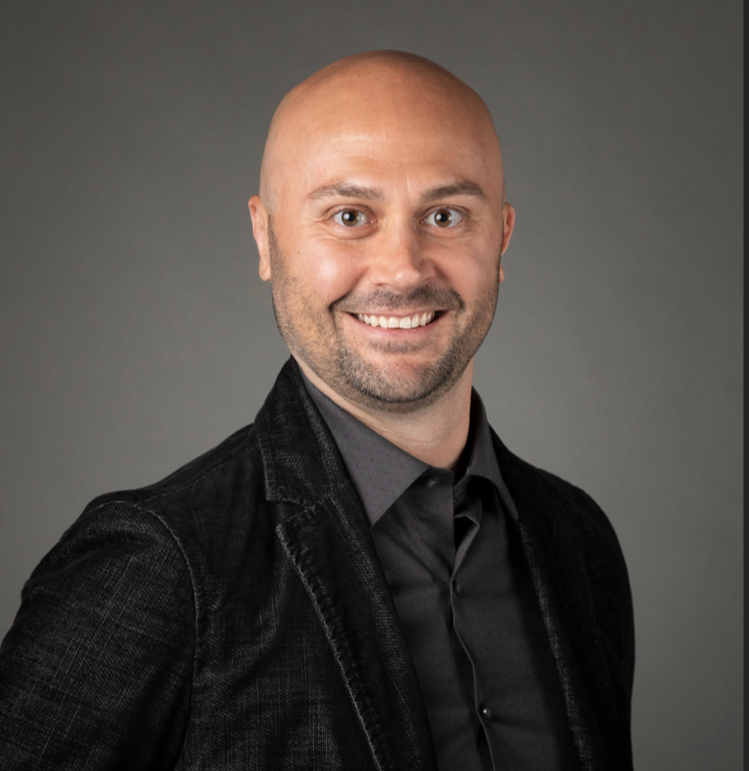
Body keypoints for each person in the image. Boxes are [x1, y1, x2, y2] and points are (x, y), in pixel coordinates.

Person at [0, 51, 634, 771]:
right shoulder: (157, 564)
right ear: (265, 237)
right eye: (349, 216)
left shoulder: (577, 540)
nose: (402, 267)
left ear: (502, 238)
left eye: (445, 215)